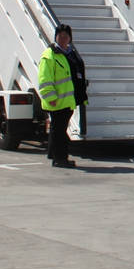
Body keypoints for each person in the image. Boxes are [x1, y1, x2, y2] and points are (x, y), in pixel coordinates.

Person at [37, 25, 81, 168]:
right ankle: (60, 159)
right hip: (56, 101)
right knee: (59, 132)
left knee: (58, 130)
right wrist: (51, 98)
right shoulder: (49, 55)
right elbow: (44, 80)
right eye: (60, 36)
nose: (63, 39)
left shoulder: (69, 54)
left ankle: (53, 154)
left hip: (67, 101)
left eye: (66, 36)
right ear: (55, 37)